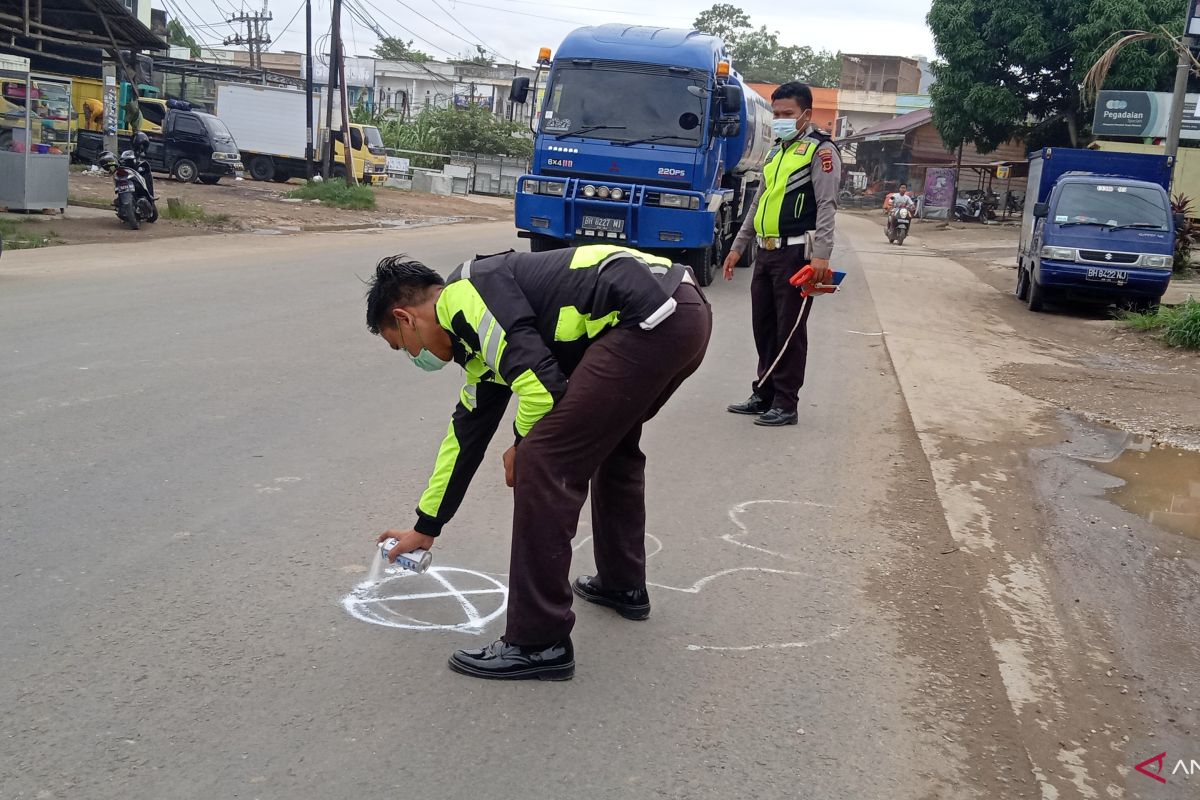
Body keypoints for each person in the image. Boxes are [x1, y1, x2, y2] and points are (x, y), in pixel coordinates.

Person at [364, 246, 712, 680]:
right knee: (611, 446)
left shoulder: (464, 297)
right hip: (679, 313)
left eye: (403, 347)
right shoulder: (478, 348)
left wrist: (521, 446)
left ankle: (538, 640)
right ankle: (623, 585)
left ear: (405, 318)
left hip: (650, 321)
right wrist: (426, 525)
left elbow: (541, 389)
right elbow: (464, 438)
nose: (416, 357)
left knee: (542, 459)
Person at [722, 82, 842, 427]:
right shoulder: (777, 152)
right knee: (764, 327)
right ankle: (764, 393)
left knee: (789, 331)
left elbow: (827, 206)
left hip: (796, 255)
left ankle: (786, 403)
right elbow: (759, 202)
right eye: (776, 114)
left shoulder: (821, 152)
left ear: (806, 114)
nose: (780, 120)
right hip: (766, 252)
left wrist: (821, 256)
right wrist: (738, 246)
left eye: (787, 114)